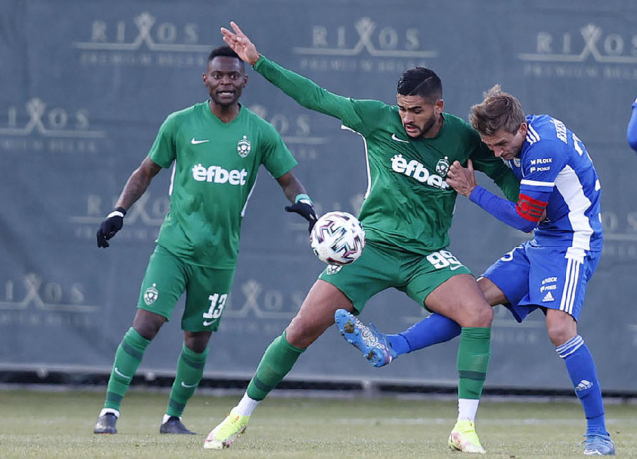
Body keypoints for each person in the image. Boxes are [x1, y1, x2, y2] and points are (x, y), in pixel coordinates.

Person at [203, 22, 521, 453]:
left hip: (426, 256)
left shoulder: (463, 139)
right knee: (300, 330)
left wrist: (530, 198)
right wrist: (258, 62)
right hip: (367, 249)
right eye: (403, 109)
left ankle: (463, 428)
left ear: (439, 106)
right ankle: (239, 415)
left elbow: (504, 170)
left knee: (479, 314)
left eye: (417, 110)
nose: (407, 118)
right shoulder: (377, 118)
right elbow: (316, 97)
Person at [336, 85, 615, 456]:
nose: (496, 153)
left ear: (520, 129)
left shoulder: (544, 148)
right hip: (548, 239)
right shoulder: (527, 130)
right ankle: (392, 346)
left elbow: (525, 219)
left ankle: (599, 434)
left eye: (501, 145)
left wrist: (472, 190)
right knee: (475, 304)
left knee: (560, 329)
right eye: (490, 145)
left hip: (573, 240)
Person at [92, 45, 317, 435]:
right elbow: (146, 171)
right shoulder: (180, 124)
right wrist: (118, 211)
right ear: (206, 79)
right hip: (175, 247)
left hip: (219, 256)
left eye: (233, 76)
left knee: (197, 340)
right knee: (146, 324)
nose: (226, 82)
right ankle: (109, 411)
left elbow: (288, 180)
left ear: (244, 81)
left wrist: (306, 205)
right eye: (218, 75)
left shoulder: (260, 133)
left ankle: (172, 418)